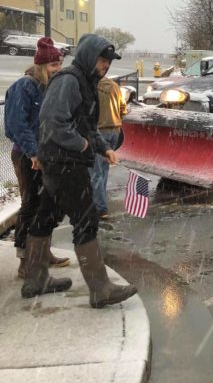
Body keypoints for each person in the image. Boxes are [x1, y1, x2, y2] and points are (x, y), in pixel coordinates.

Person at [21, 33, 138, 308]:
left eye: (108, 61)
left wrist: (102, 148)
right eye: (102, 59)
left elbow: (85, 124)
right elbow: (52, 120)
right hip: (65, 163)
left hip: (59, 161)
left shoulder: (86, 83)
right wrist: (83, 144)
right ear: (88, 56)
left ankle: (35, 279)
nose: (106, 65)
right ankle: (101, 289)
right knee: (86, 221)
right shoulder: (70, 80)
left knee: (45, 218)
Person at [4, 37, 70, 278]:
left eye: (59, 64)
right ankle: (25, 260)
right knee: (31, 204)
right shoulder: (24, 87)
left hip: (48, 156)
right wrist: (33, 152)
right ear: (42, 66)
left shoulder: (49, 87)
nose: (58, 70)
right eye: (53, 66)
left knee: (47, 205)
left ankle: (42, 251)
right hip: (27, 156)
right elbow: (16, 124)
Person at [89, 76, 127, 219]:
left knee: (95, 171)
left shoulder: (91, 87)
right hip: (115, 131)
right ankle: (101, 200)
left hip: (99, 132)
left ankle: (100, 208)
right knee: (103, 170)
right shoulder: (114, 86)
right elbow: (123, 108)